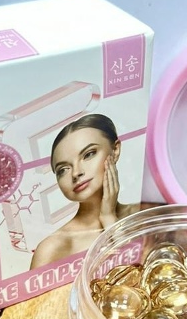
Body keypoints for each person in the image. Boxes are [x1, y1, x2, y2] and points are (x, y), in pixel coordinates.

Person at [29, 114, 138, 269]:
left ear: (115, 150)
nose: (76, 173)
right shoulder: (51, 249)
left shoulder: (145, 213)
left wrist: (109, 219)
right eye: (63, 169)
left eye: (88, 154)